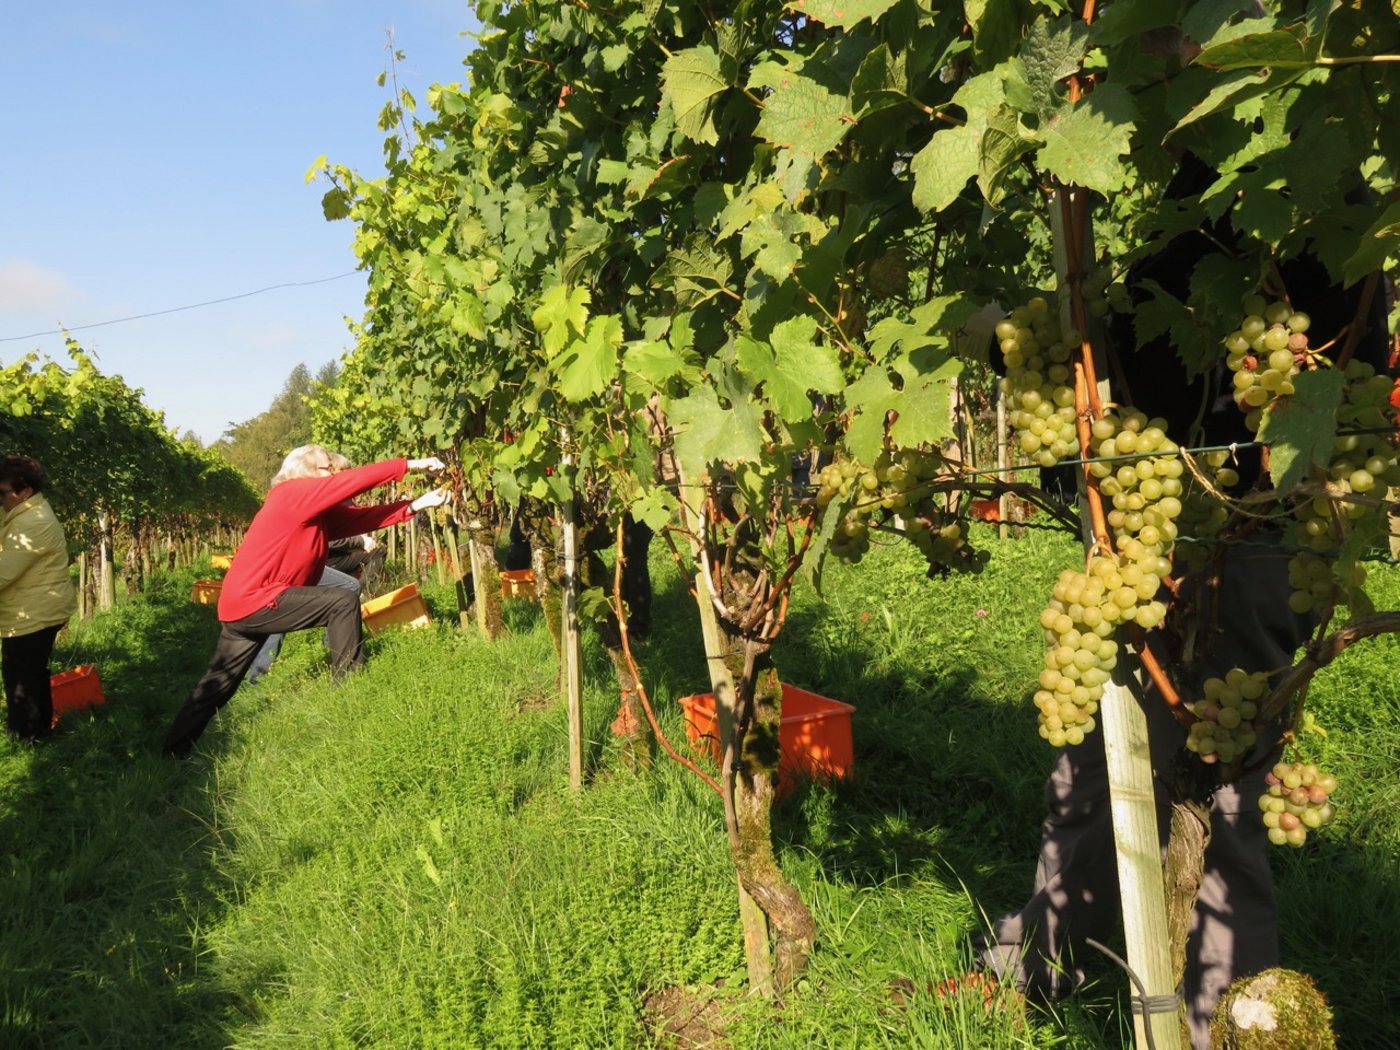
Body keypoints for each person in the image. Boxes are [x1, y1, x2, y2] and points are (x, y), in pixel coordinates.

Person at [162, 446, 449, 758]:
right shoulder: (291, 493)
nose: (333, 475)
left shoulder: (312, 512)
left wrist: (419, 503)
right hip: (258, 598)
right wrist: (412, 464)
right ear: (304, 471)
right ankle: (349, 695)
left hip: (242, 603)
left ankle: (171, 753)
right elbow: (353, 482)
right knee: (342, 600)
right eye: (327, 468)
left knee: (218, 684)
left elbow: (363, 518)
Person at [242, 451, 382, 687]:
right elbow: (326, 539)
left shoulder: (319, 496)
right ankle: (261, 674)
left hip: (297, 567)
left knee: (341, 590)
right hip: (294, 568)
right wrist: (359, 541)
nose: (341, 477)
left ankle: (260, 674)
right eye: (338, 472)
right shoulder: (312, 498)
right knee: (280, 611)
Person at [0, 454, 77, 742]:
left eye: (3, 492)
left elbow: (3, 573)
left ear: (25, 492)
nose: (0, 498)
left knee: (21, 677)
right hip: (32, 607)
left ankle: (27, 738)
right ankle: (40, 730)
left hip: (34, 612)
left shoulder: (33, 522)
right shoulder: (21, 512)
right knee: (31, 672)